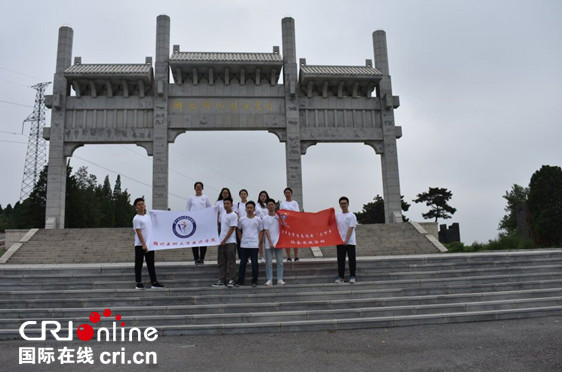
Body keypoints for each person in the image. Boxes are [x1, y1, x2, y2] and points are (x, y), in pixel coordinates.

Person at [132, 197, 164, 290]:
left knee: (151, 264)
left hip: (149, 244)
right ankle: (138, 283)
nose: (141, 206)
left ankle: (154, 282)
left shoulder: (148, 217)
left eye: (142, 204)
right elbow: (138, 232)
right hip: (140, 245)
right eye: (139, 205)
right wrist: (143, 244)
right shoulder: (136, 218)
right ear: (136, 207)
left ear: (145, 206)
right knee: (139, 264)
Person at [213, 197, 238, 288]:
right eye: (225, 204)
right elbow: (221, 228)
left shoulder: (233, 215)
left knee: (231, 262)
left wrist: (224, 240)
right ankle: (221, 280)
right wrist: (220, 240)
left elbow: (232, 228)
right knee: (221, 262)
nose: (226, 205)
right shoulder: (223, 215)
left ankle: (232, 280)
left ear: (231, 204)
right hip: (221, 242)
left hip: (230, 242)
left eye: (228, 203)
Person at [237, 201, 263, 287]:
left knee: (254, 263)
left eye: (251, 208)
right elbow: (238, 229)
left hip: (254, 245)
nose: (249, 209)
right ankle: (240, 280)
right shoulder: (242, 219)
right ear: (245, 209)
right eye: (247, 208)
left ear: (254, 209)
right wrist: (241, 239)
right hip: (244, 245)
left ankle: (254, 281)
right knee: (242, 263)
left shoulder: (258, 219)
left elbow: (261, 231)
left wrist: (259, 241)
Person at [186, 181, 212, 265]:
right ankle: (196, 258)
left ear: (202, 188)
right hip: (193, 223)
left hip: (203, 223)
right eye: (197, 187)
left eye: (200, 187)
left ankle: (202, 258)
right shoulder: (191, 198)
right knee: (194, 241)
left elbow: (210, 209)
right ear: (194, 188)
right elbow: (187, 210)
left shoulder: (205, 197)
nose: (198, 188)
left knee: (203, 241)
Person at [261, 198, 285, 286]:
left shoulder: (279, 217)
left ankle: (279, 279)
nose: (271, 206)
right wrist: (270, 242)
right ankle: (269, 279)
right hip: (268, 244)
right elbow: (266, 231)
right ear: (267, 207)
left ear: (275, 206)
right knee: (269, 263)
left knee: (280, 262)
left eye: (272, 204)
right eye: (269, 205)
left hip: (279, 242)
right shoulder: (265, 218)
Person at [335, 196, 357, 284]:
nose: (343, 205)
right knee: (340, 260)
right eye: (341, 203)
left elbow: (351, 228)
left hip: (350, 242)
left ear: (348, 204)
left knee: (352, 259)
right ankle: (341, 276)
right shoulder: (337, 216)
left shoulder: (352, 215)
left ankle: (352, 276)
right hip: (340, 241)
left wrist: (346, 240)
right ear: (339, 205)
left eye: (344, 203)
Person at [280, 187, 300, 262]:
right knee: (287, 240)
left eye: (289, 193)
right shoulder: (282, 203)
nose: (287, 194)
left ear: (291, 194)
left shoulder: (294, 203)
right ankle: (288, 257)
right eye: (286, 193)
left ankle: (296, 256)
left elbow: (297, 213)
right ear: (284, 194)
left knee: (295, 240)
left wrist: (289, 214)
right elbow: (281, 213)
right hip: (286, 224)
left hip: (294, 224)